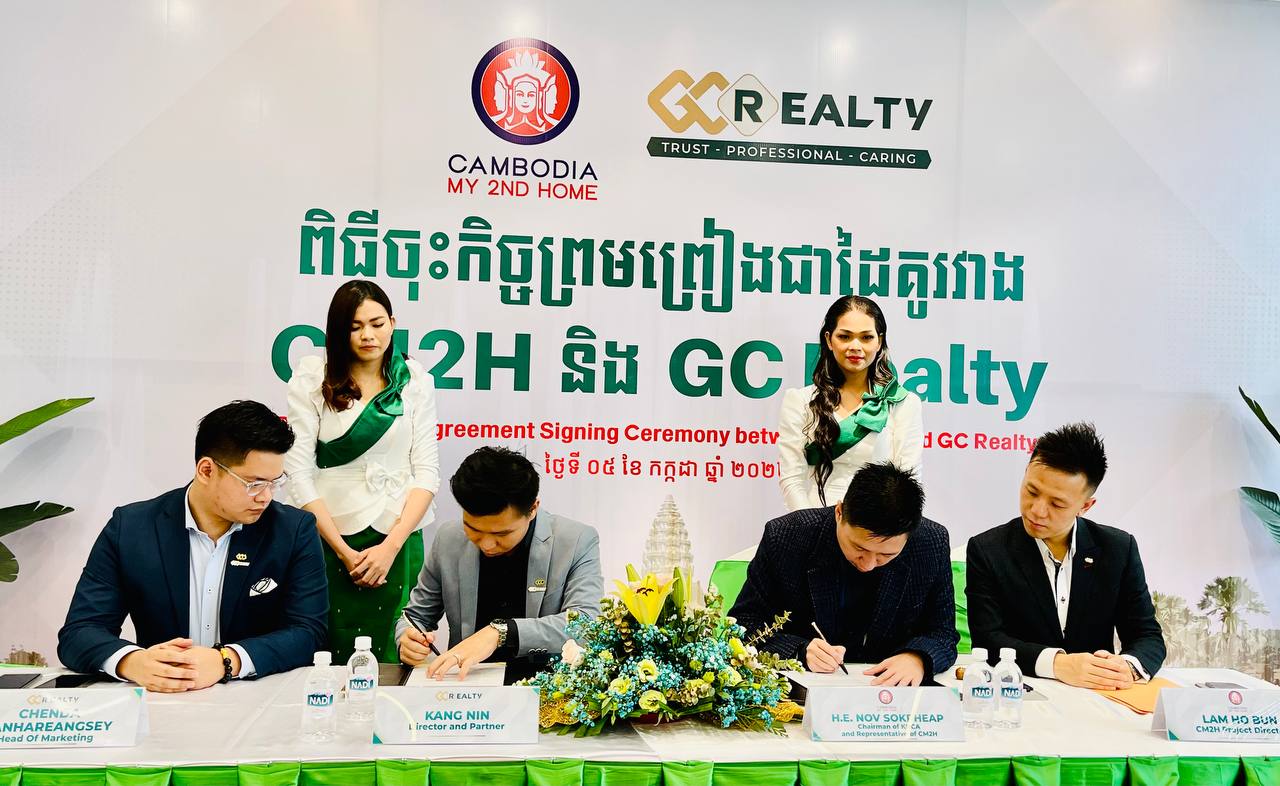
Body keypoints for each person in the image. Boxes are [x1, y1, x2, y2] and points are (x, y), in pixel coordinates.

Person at [58, 401, 327, 691]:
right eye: (254, 484)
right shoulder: (132, 528)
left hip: (255, 696)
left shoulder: (293, 530)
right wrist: (133, 662)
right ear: (206, 470)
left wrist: (227, 660)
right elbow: (79, 632)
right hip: (162, 698)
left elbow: (309, 633)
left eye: (275, 483)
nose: (265, 497)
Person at [285, 280, 439, 663]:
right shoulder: (313, 377)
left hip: (398, 536)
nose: (368, 335)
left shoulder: (414, 380)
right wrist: (343, 551)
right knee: (325, 653)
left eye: (377, 323)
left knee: (396, 651)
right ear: (338, 331)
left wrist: (390, 547)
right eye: (355, 327)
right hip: (328, 535)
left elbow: (427, 471)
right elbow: (298, 471)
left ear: (393, 323)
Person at [966, 422, 1166, 688]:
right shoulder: (988, 549)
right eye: (1031, 491)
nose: (1037, 510)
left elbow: (1147, 636)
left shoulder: (1118, 548)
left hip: (1097, 696)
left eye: (1057, 504)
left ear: (1086, 506)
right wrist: (1058, 664)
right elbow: (988, 640)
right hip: (1020, 694)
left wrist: (1126, 667)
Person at [731, 461, 958, 686]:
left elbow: (943, 633)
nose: (869, 564)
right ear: (839, 512)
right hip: (806, 688)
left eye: (886, 555)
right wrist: (799, 649)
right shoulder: (786, 536)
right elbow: (743, 624)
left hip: (891, 692)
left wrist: (918, 658)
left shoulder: (931, 543)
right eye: (859, 548)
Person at [396, 447, 602, 683]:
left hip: (547, 687)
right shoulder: (448, 538)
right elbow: (415, 616)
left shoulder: (576, 540)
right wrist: (407, 639)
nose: (487, 544)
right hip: (466, 686)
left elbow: (586, 624)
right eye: (473, 529)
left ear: (533, 509)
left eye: (501, 533)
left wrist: (501, 632)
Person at [778, 295, 923, 512]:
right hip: (815, 519)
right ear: (829, 340)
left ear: (879, 341)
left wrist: (883, 529)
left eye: (866, 337)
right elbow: (792, 479)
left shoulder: (902, 402)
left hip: (878, 524)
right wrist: (809, 525)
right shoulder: (800, 401)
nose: (855, 346)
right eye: (845, 336)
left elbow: (909, 479)